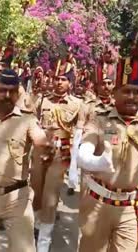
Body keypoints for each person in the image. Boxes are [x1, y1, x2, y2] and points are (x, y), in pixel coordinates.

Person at [77, 40, 138, 251]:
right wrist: (99, 162)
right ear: (115, 92)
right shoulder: (100, 120)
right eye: (126, 91)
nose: (132, 97)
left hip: (131, 209)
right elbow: (83, 154)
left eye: (137, 91)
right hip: (97, 204)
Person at [0, 69, 51, 252]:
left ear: (18, 92)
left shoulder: (27, 120)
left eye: (12, 91)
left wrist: (47, 145)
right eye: (2, 90)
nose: (7, 95)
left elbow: (40, 139)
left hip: (17, 199)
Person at [31, 57, 86, 252]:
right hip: (39, 153)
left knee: (50, 196)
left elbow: (78, 135)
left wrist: (73, 168)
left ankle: (43, 242)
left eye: (63, 79)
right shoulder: (42, 100)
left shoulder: (78, 105)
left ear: (70, 82)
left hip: (60, 156)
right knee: (35, 192)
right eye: (56, 78)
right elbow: (31, 122)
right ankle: (38, 223)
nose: (58, 82)